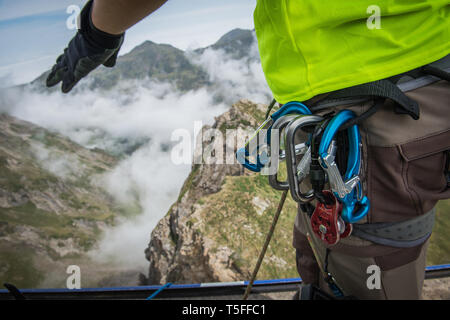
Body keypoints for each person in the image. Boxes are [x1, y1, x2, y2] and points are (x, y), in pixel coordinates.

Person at [46, 0, 450, 299]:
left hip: (370, 108)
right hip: (435, 70)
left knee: (366, 279)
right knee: (323, 255)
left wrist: (96, 31)